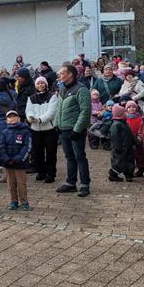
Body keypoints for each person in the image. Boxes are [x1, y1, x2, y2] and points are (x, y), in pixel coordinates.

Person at [55, 65, 92, 197]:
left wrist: (77, 129)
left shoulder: (81, 89)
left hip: (75, 130)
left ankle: (84, 185)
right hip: (63, 129)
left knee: (79, 157)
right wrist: (56, 125)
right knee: (69, 157)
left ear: (70, 74)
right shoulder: (61, 89)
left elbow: (85, 111)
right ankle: (71, 183)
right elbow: (58, 109)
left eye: (62, 73)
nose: (59, 75)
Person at [26, 76, 58, 183]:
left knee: (50, 151)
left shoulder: (52, 97)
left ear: (46, 84)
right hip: (35, 129)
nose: (40, 85)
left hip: (49, 128)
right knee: (37, 152)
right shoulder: (31, 98)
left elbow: (51, 112)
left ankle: (50, 173)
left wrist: (40, 119)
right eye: (38, 83)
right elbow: (29, 110)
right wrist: (30, 117)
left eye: (42, 83)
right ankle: (41, 171)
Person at [0, 110, 32, 210]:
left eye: (14, 116)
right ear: (6, 120)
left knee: (21, 183)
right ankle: (14, 201)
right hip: (8, 163)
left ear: (19, 118)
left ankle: (24, 202)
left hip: (20, 163)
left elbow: (27, 147)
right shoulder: (4, 132)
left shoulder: (25, 131)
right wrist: (6, 159)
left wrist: (18, 159)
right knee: (11, 184)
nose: (12, 118)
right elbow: (2, 147)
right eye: (9, 117)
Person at [108, 104, 135, 182]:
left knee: (129, 161)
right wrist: (118, 147)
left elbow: (130, 134)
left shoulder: (124, 123)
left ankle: (129, 175)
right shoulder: (116, 124)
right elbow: (115, 138)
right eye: (124, 113)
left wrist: (135, 142)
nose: (126, 114)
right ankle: (113, 174)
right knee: (119, 162)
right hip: (121, 148)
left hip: (128, 146)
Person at [125, 100, 144, 176]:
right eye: (129, 107)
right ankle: (130, 170)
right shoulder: (125, 119)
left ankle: (141, 169)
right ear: (126, 109)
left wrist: (140, 137)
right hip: (128, 141)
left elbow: (143, 129)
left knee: (139, 155)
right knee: (129, 156)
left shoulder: (140, 118)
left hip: (138, 140)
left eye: (133, 107)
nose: (131, 109)